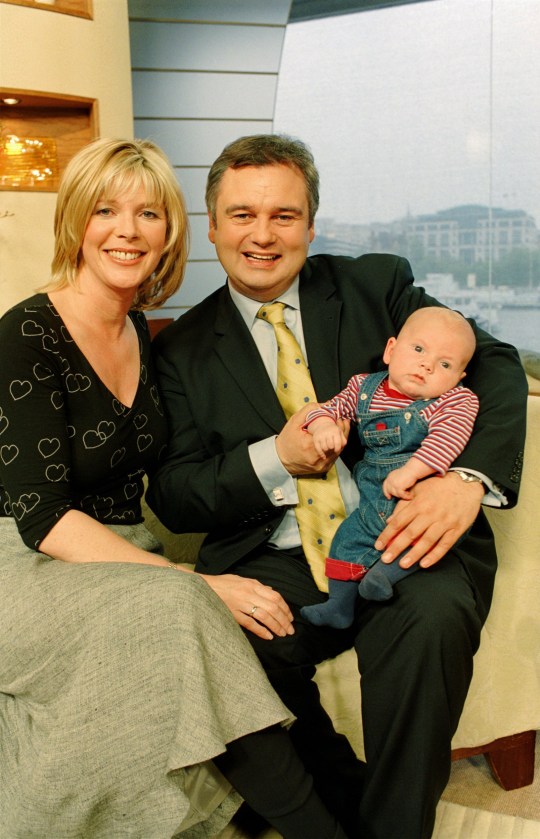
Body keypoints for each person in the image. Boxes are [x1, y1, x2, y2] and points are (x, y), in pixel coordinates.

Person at [146, 134, 528, 839]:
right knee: (215, 641)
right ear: (212, 224)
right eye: (242, 215)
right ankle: (338, 813)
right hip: (276, 553)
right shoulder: (177, 349)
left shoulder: (376, 287)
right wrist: (272, 458)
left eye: (284, 215)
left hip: (403, 532)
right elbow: (174, 493)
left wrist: (467, 479)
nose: (263, 235)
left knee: (433, 618)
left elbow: (496, 360)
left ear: (311, 224)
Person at [0, 137, 349, 839]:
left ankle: (337, 794)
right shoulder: (24, 334)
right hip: (24, 561)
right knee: (187, 608)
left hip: (121, 551)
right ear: (76, 220)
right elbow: (42, 518)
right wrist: (194, 580)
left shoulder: (139, 327)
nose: (127, 230)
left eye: (149, 213)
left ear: (171, 232)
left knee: (202, 611)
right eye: (105, 209)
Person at [301, 306, 479, 623]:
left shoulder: (454, 400)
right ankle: (339, 607)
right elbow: (322, 410)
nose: (427, 364)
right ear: (391, 350)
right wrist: (324, 426)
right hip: (373, 492)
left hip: (420, 494)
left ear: (457, 378)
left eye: (445, 364)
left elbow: (447, 440)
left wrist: (411, 472)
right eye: (419, 349)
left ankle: (384, 576)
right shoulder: (362, 388)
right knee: (347, 538)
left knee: (424, 536)